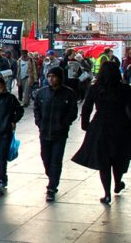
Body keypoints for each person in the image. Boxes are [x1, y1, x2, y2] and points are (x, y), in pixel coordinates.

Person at [72, 62, 131, 204]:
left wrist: (85, 125)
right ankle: (118, 183)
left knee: (103, 162)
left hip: (100, 126)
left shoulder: (95, 89)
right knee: (118, 158)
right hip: (121, 126)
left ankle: (107, 194)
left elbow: (86, 108)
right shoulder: (125, 89)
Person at [33, 66, 78, 202]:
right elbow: (36, 108)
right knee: (46, 158)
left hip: (60, 133)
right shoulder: (42, 93)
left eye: (54, 76)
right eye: (49, 76)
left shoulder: (68, 93)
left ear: (59, 77)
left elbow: (72, 112)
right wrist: (39, 122)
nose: (51, 79)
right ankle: (52, 176)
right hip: (45, 131)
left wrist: (64, 123)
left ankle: (52, 186)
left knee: (56, 160)